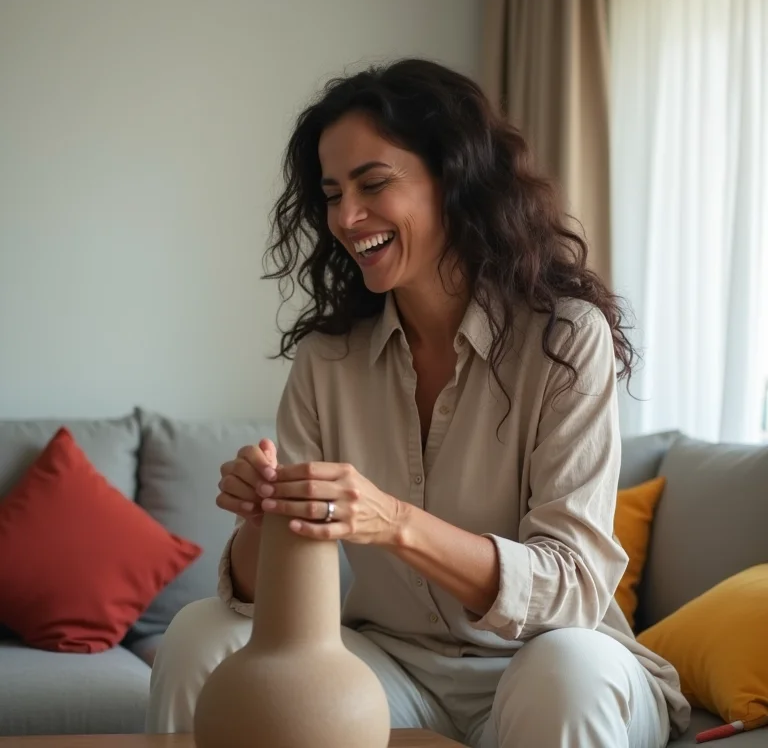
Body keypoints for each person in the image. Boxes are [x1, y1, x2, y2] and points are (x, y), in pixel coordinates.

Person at [145, 58, 690, 747]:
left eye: (373, 184)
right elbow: (268, 597)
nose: (347, 217)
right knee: (199, 631)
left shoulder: (565, 338)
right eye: (332, 194)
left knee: (565, 675)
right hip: (393, 667)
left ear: (454, 180)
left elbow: (572, 588)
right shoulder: (327, 360)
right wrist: (266, 520)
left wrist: (394, 521)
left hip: (547, 660)